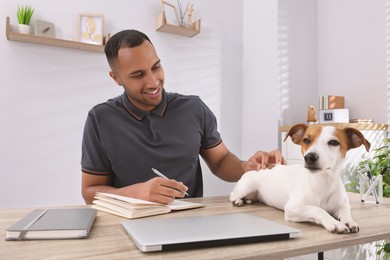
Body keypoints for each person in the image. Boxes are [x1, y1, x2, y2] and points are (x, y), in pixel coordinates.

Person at [81, 29, 285, 205]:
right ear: (116, 78)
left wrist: (245, 167)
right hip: (124, 226)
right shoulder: (100, 118)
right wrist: (135, 193)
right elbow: (90, 192)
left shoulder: (193, 108)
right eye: (138, 75)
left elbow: (221, 161)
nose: (153, 82)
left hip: (189, 222)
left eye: (156, 67)